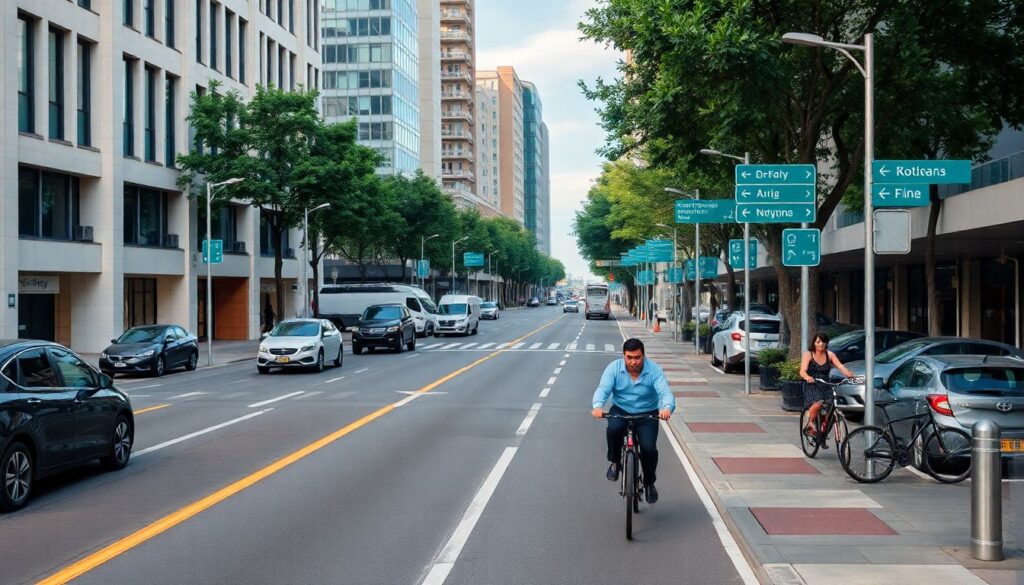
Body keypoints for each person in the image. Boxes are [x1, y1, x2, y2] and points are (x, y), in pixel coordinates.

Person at [591, 338, 675, 504]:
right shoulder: (613, 369)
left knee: (649, 449)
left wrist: (667, 408)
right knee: (613, 430)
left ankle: (649, 482)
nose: (633, 361)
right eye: (629, 357)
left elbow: (665, 392)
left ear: (643, 356)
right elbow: (603, 389)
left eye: (637, 357)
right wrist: (597, 406)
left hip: (647, 414)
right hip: (621, 410)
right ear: (624, 356)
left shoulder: (654, 370)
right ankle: (615, 462)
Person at [799, 332, 854, 437]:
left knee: (831, 407)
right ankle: (810, 425)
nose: (821, 344)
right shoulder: (808, 354)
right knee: (818, 402)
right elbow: (802, 370)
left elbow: (840, 366)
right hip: (812, 383)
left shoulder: (830, 354)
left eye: (823, 342)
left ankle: (823, 431)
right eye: (818, 341)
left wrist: (850, 375)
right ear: (814, 343)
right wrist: (807, 377)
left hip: (826, 383)